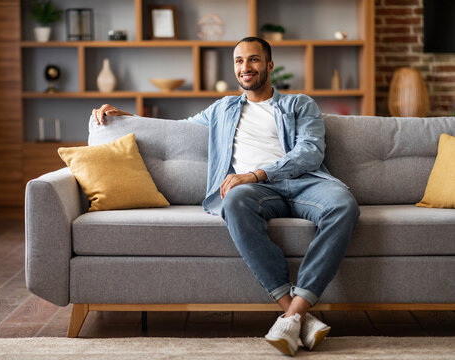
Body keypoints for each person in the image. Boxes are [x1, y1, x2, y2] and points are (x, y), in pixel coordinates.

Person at [92, 36, 360, 357]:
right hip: (254, 193)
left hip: (302, 182)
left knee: (343, 204)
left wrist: (256, 173)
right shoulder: (223, 108)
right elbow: (174, 129)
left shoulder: (299, 104)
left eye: (254, 60)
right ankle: (296, 314)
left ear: (270, 65)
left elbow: (310, 153)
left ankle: (295, 312)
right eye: (239, 61)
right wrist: (123, 117)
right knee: (233, 201)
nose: (245, 67)